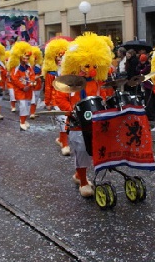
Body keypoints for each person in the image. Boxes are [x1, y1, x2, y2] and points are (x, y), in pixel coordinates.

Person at [54, 32, 112, 198]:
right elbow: (60, 99)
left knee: (93, 150)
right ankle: (83, 181)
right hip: (76, 123)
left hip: (95, 121)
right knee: (81, 150)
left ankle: (79, 174)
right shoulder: (69, 82)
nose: (91, 70)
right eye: (87, 66)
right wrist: (70, 110)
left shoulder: (99, 82)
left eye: (94, 66)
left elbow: (106, 95)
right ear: (77, 65)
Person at [42, 38, 71, 155]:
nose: (59, 59)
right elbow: (48, 87)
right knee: (63, 120)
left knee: (64, 121)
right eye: (57, 57)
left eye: (62, 57)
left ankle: (60, 139)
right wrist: (47, 102)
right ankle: (65, 145)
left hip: (67, 99)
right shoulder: (51, 73)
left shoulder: (69, 71)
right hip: (55, 100)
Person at [8, 42, 35, 131]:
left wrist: (30, 84)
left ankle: (24, 119)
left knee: (27, 106)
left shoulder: (29, 67)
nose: (26, 58)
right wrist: (22, 87)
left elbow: (32, 76)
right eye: (24, 56)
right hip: (20, 91)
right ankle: (22, 122)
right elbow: (14, 79)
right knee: (23, 106)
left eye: (28, 57)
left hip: (28, 91)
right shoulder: (16, 68)